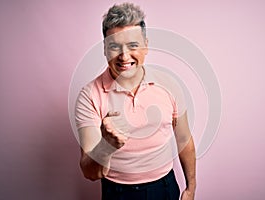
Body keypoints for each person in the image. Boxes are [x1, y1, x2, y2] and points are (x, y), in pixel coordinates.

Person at [75, 2, 196, 200]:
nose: (124, 56)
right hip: (117, 192)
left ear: (146, 46)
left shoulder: (170, 85)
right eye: (114, 46)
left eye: (133, 45)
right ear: (105, 49)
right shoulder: (89, 96)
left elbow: (184, 139)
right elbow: (89, 172)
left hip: (164, 186)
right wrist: (106, 145)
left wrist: (191, 188)